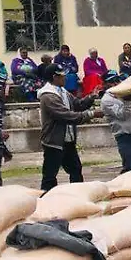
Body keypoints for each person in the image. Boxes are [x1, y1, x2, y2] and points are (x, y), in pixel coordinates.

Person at [37, 63, 101, 192]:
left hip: (68, 140)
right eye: (62, 76)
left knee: (76, 170)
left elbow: (78, 104)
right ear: (54, 77)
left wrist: (91, 97)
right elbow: (65, 115)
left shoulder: (63, 92)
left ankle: (77, 196)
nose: (65, 78)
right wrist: (91, 114)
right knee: (50, 175)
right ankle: (46, 199)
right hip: (54, 141)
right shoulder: (48, 96)